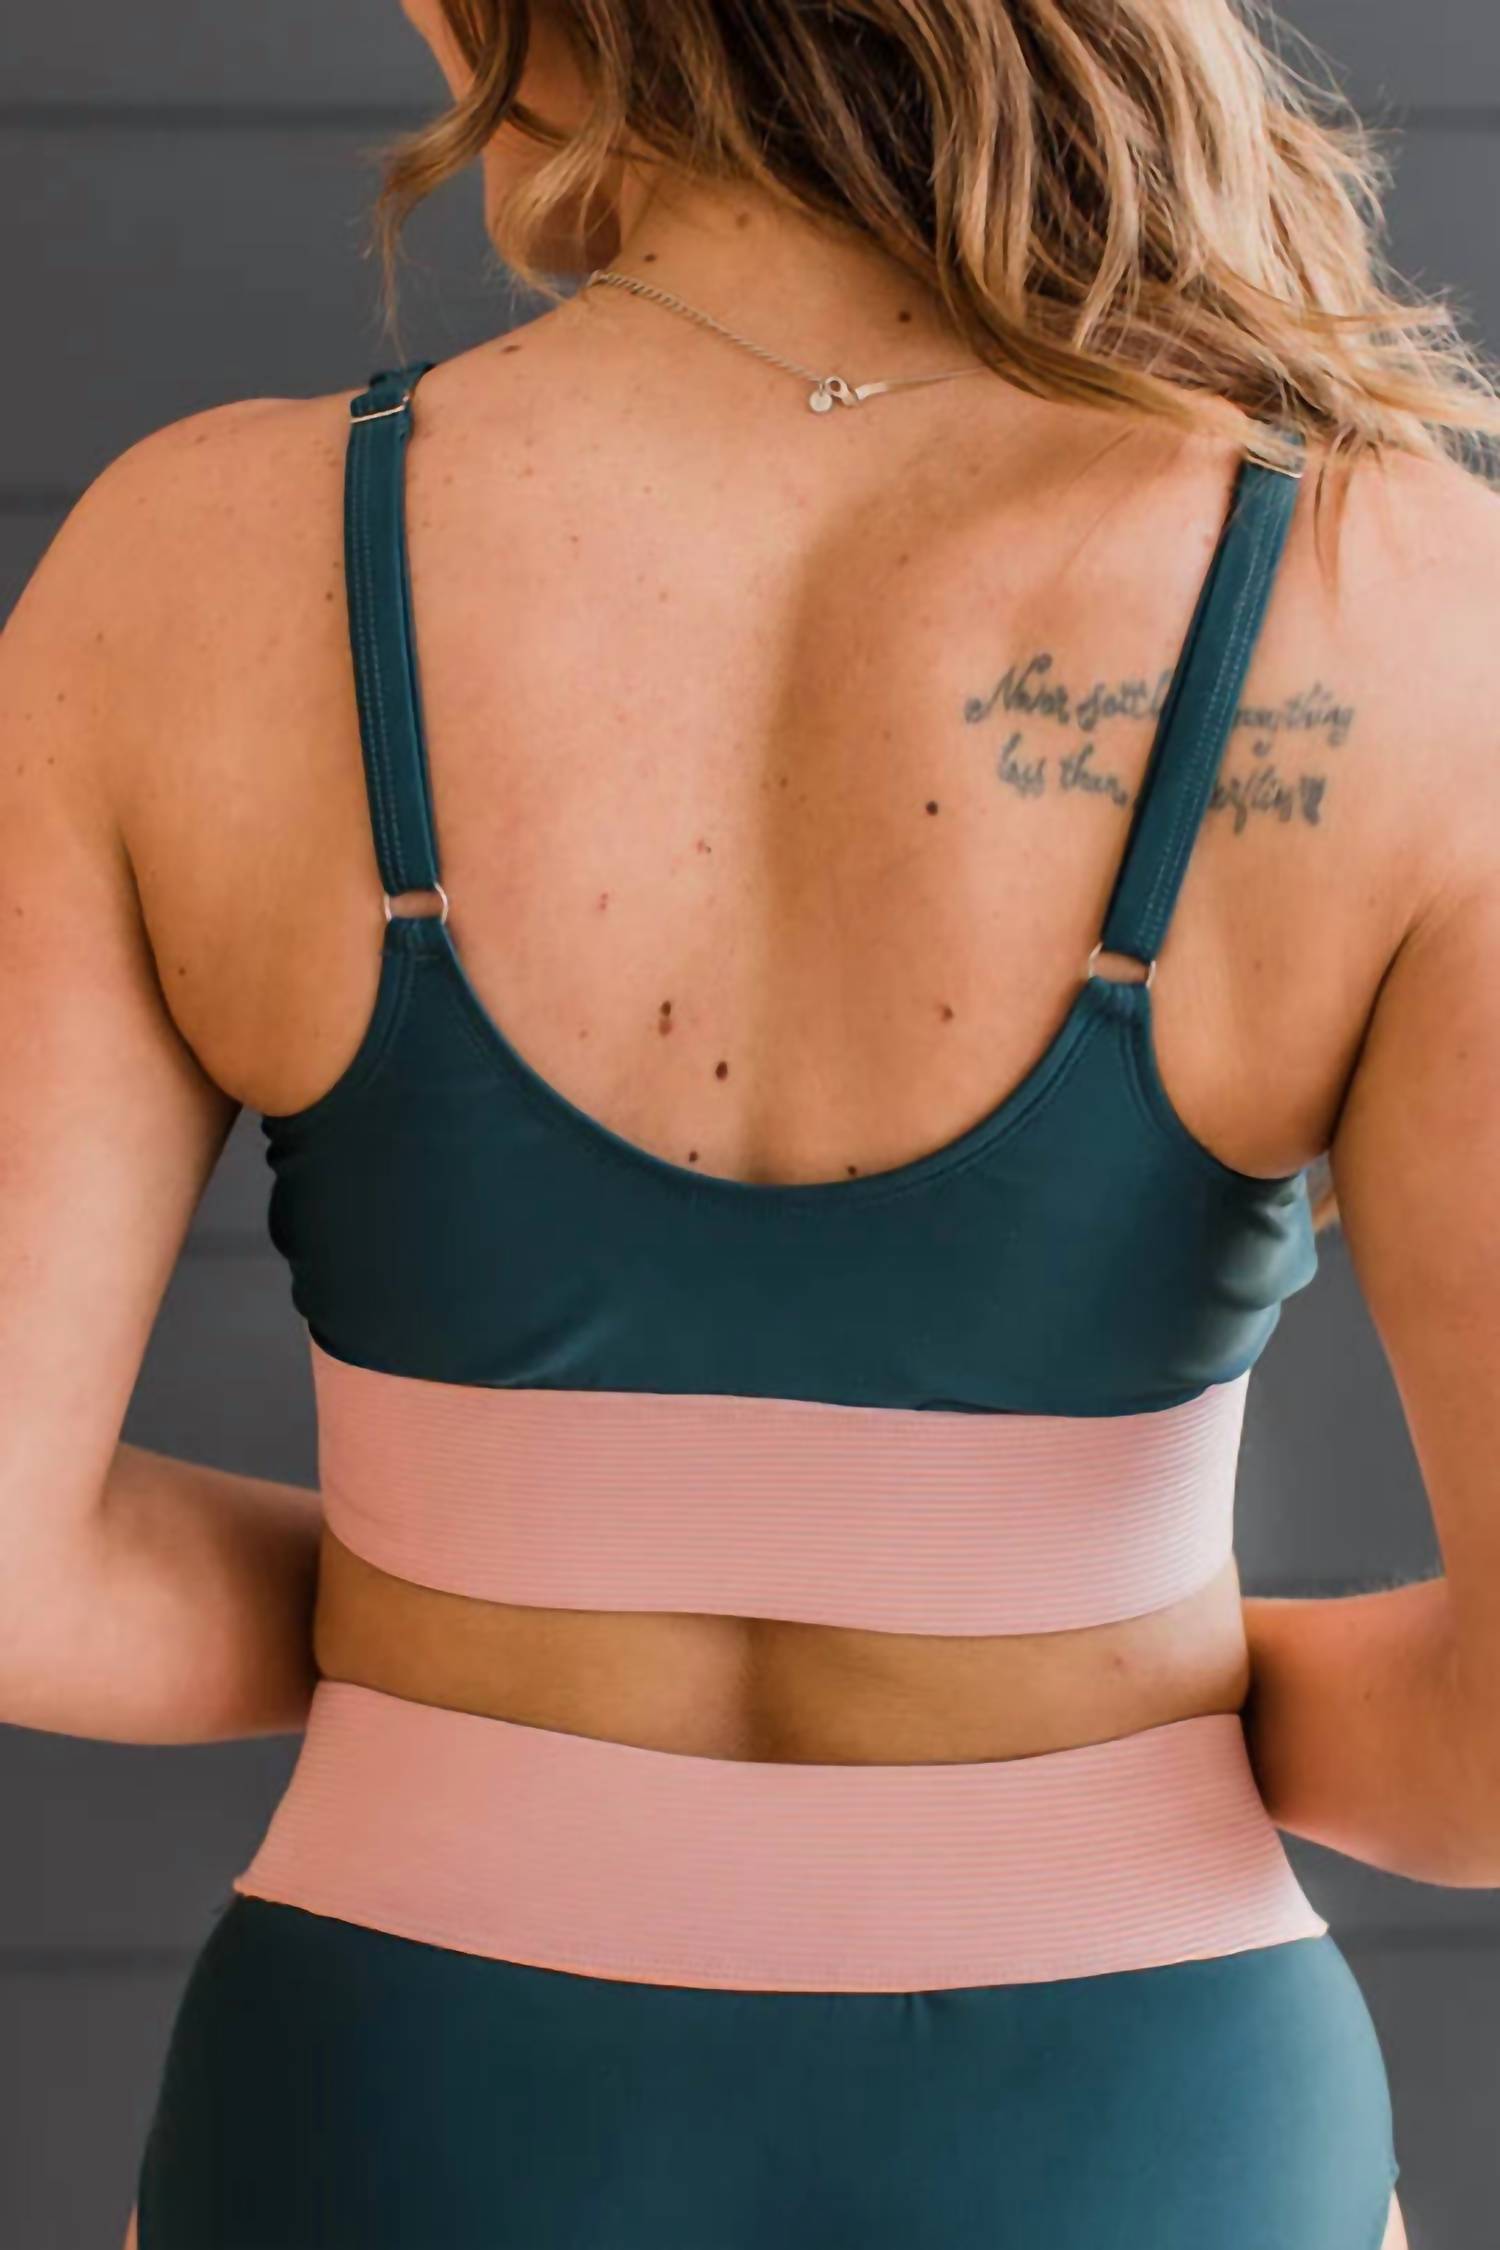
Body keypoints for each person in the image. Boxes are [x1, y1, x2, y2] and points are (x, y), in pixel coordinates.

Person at [7, 2, 1500, 2243]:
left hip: (396, 2096)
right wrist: (1093, 1666)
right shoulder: (1407, 611)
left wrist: (470, 1604)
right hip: (1138, 2119)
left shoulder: (193, 569)